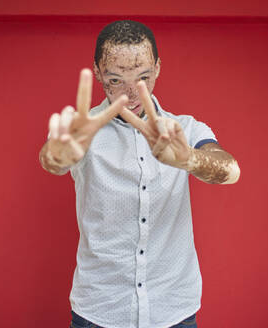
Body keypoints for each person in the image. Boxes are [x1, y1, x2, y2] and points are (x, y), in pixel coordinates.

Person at [39, 20, 240, 328]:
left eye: (143, 77)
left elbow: (230, 171)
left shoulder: (185, 129)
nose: (131, 92)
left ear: (158, 68)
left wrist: (190, 159)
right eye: (116, 80)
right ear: (97, 72)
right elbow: (51, 160)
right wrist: (57, 155)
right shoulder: (82, 132)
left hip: (174, 310)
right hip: (99, 310)